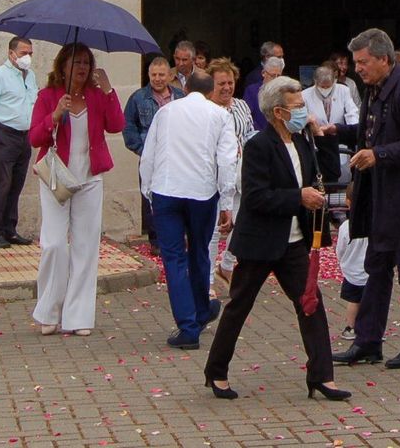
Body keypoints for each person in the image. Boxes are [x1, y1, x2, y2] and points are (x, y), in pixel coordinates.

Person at [201, 77, 351, 402]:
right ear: (279, 112)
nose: (304, 111)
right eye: (298, 107)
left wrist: (321, 136)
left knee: (310, 305)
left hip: (294, 242)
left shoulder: (302, 141)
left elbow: (329, 174)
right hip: (260, 242)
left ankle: (322, 377)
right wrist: (298, 196)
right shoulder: (259, 146)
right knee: (239, 306)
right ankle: (216, 371)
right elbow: (256, 197)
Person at [333, 28, 400, 370]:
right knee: (375, 268)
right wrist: (336, 132)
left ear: (384, 59)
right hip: (378, 196)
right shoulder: (375, 89)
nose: (358, 69)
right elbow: (370, 132)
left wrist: (379, 155)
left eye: (364, 62)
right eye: (356, 63)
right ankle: (367, 341)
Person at [28, 43, 124, 337]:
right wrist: (55, 115)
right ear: (63, 66)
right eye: (76, 63)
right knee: (55, 244)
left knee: (86, 246)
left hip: (90, 179)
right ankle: (48, 311)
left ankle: (79, 315)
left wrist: (109, 91)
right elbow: (34, 138)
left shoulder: (96, 96)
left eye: (86, 62)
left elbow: (116, 125)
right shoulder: (48, 96)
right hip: (57, 176)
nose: (82, 68)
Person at [140, 64, 239, 349]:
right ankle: (199, 310)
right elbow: (227, 160)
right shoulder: (220, 115)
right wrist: (227, 201)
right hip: (202, 192)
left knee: (173, 258)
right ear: (210, 91)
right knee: (199, 251)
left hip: (166, 190)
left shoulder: (166, 112)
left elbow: (149, 154)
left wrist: (147, 190)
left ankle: (189, 324)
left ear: (185, 88)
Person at [0, 37, 40, 249]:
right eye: (23, 53)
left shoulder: (30, 76)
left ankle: (10, 229)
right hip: (3, 133)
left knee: (16, 183)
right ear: (11, 54)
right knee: (1, 183)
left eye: (30, 53)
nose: (27, 57)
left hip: (24, 135)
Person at [206, 59, 255, 288]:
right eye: (221, 83)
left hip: (240, 175)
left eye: (230, 82)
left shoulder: (242, 106)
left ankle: (226, 265)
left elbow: (248, 135)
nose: (226, 87)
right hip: (214, 178)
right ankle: (206, 284)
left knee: (243, 224)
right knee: (214, 231)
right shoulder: (206, 110)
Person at [123, 56, 180, 245]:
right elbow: (128, 126)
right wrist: (141, 150)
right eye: (154, 75)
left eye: (161, 75)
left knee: (177, 196)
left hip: (178, 157)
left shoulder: (180, 97)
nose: (157, 79)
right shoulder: (138, 98)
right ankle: (155, 239)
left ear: (170, 75)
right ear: (148, 75)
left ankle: (177, 235)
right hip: (151, 158)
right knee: (150, 198)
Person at [305, 64, 360, 181]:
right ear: (315, 82)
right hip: (317, 142)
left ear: (334, 81)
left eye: (328, 86)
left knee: (343, 174)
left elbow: (352, 113)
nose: (325, 89)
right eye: (322, 86)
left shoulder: (343, 90)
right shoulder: (305, 95)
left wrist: (352, 130)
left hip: (338, 139)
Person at [336, 200, 369, 341]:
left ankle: (350, 327)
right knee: (372, 301)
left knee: (354, 301)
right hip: (370, 271)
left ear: (347, 202)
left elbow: (340, 248)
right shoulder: (372, 223)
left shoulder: (345, 226)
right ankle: (371, 327)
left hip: (352, 271)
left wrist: (342, 260)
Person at [243, 54, 284, 132]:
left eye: (278, 76)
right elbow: (247, 116)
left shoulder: (283, 91)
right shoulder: (252, 91)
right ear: (263, 73)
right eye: (272, 75)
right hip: (258, 134)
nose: (275, 79)